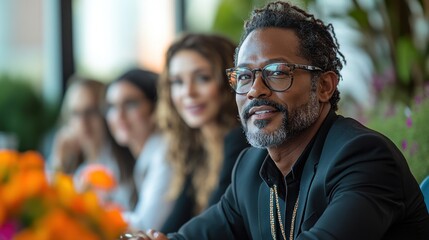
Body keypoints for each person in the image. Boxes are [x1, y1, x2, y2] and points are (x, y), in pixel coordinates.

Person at [130, 1, 429, 240]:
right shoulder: (250, 169)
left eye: (276, 72)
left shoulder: (363, 158)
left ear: (324, 86)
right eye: (245, 76)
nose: (256, 90)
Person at [155, 33, 250, 232]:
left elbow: (214, 229)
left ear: (229, 82)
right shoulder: (196, 148)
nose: (188, 92)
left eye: (202, 78)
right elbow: (174, 225)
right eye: (177, 82)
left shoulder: (241, 141)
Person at [49, 77, 137, 211]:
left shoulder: (125, 159)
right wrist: (58, 161)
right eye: (75, 113)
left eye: (90, 112)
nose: (83, 122)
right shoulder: (71, 163)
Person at [105, 69, 172, 230]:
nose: (119, 115)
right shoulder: (137, 158)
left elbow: (145, 227)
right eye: (112, 106)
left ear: (156, 108)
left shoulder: (165, 154)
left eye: (130, 104)